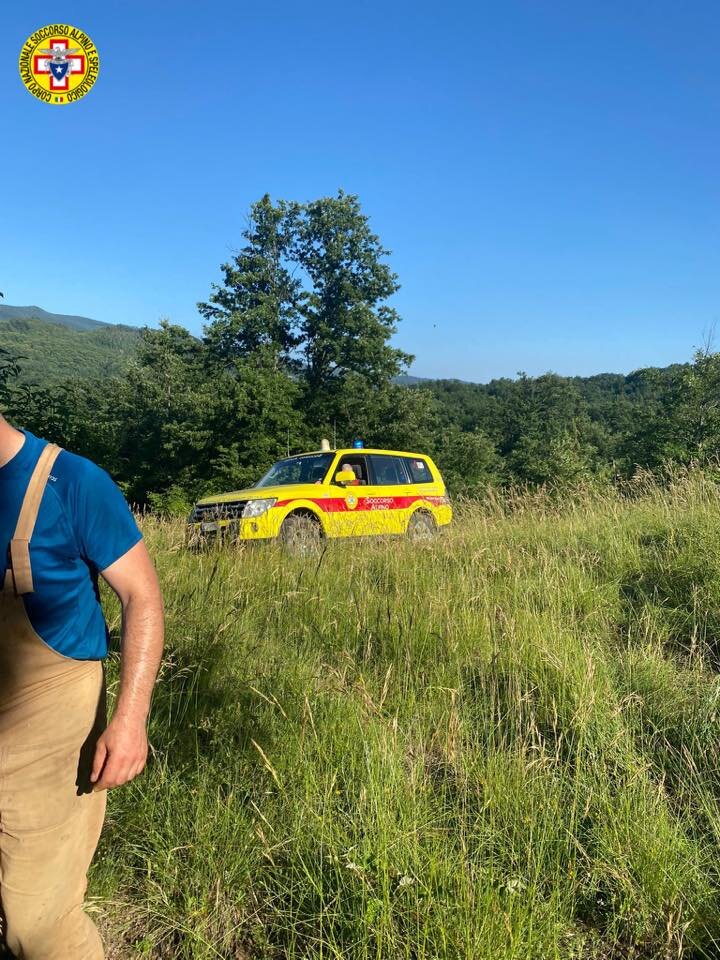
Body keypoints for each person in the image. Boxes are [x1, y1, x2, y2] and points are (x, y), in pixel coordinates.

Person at [0, 416, 164, 959]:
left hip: (49, 728)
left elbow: (142, 597)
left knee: (38, 923)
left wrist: (130, 719)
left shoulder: (70, 482)